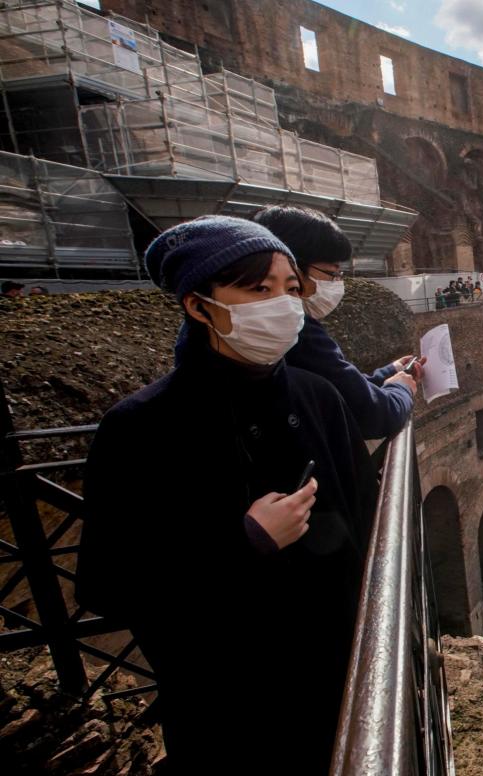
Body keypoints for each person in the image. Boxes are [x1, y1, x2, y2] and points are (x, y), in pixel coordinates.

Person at [76, 216, 381, 774]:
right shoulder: (141, 428)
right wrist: (244, 542)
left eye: (291, 289)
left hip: (339, 674)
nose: (283, 305)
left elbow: (368, 518)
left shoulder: (318, 398)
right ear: (198, 305)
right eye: (257, 289)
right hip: (230, 702)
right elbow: (107, 585)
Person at [250, 206, 421, 440]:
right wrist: (402, 388)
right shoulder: (293, 330)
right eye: (332, 273)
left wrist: (389, 372)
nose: (338, 282)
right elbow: (373, 415)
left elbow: (339, 386)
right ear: (294, 268)